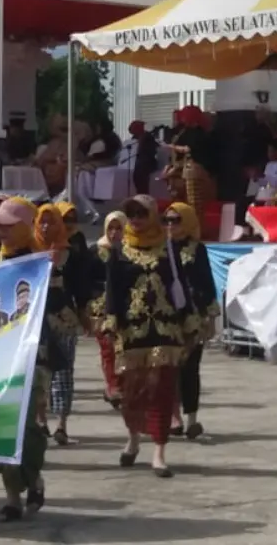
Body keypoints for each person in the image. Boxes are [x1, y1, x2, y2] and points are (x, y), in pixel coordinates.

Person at [103, 195, 202, 478]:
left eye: (141, 213)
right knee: (132, 392)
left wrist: (190, 322)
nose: (135, 219)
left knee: (162, 390)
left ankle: (159, 452)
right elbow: (113, 290)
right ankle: (133, 439)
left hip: (165, 329)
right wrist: (111, 323)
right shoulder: (119, 251)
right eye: (131, 213)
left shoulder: (168, 248)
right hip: (132, 332)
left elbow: (179, 285)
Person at [0, 197, 56, 520]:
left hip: (32, 356)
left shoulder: (42, 264)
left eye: (9, 225)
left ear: (26, 227)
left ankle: (33, 478)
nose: (2, 231)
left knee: (28, 427)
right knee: (4, 426)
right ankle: (13, 496)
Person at [163, 203, 216, 440]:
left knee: (190, 368)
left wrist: (211, 317)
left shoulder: (198, 249)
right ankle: (173, 417)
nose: (171, 225)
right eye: (167, 220)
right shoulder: (160, 249)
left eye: (176, 220)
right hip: (167, 315)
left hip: (193, 316)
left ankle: (192, 419)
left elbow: (207, 283)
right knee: (168, 368)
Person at [35, 204, 86, 445]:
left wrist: (85, 315)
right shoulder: (30, 252)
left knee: (63, 372)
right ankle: (41, 420)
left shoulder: (70, 253)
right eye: (41, 221)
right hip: (36, 321)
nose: (46, 226)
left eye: (51, 221)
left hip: (64, 319)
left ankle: (62, 424)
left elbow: (79, 287)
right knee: (40, 372)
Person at [91, 211, 128, 409]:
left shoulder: (129, 252)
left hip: (124, 306)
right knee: (107, 349)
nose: (114, 233)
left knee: (123, 348)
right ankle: (112, 386)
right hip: (100, 308)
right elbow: (86, 279)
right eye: (110, 228)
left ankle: (119, 387)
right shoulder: (95, 251)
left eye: (119, 228)